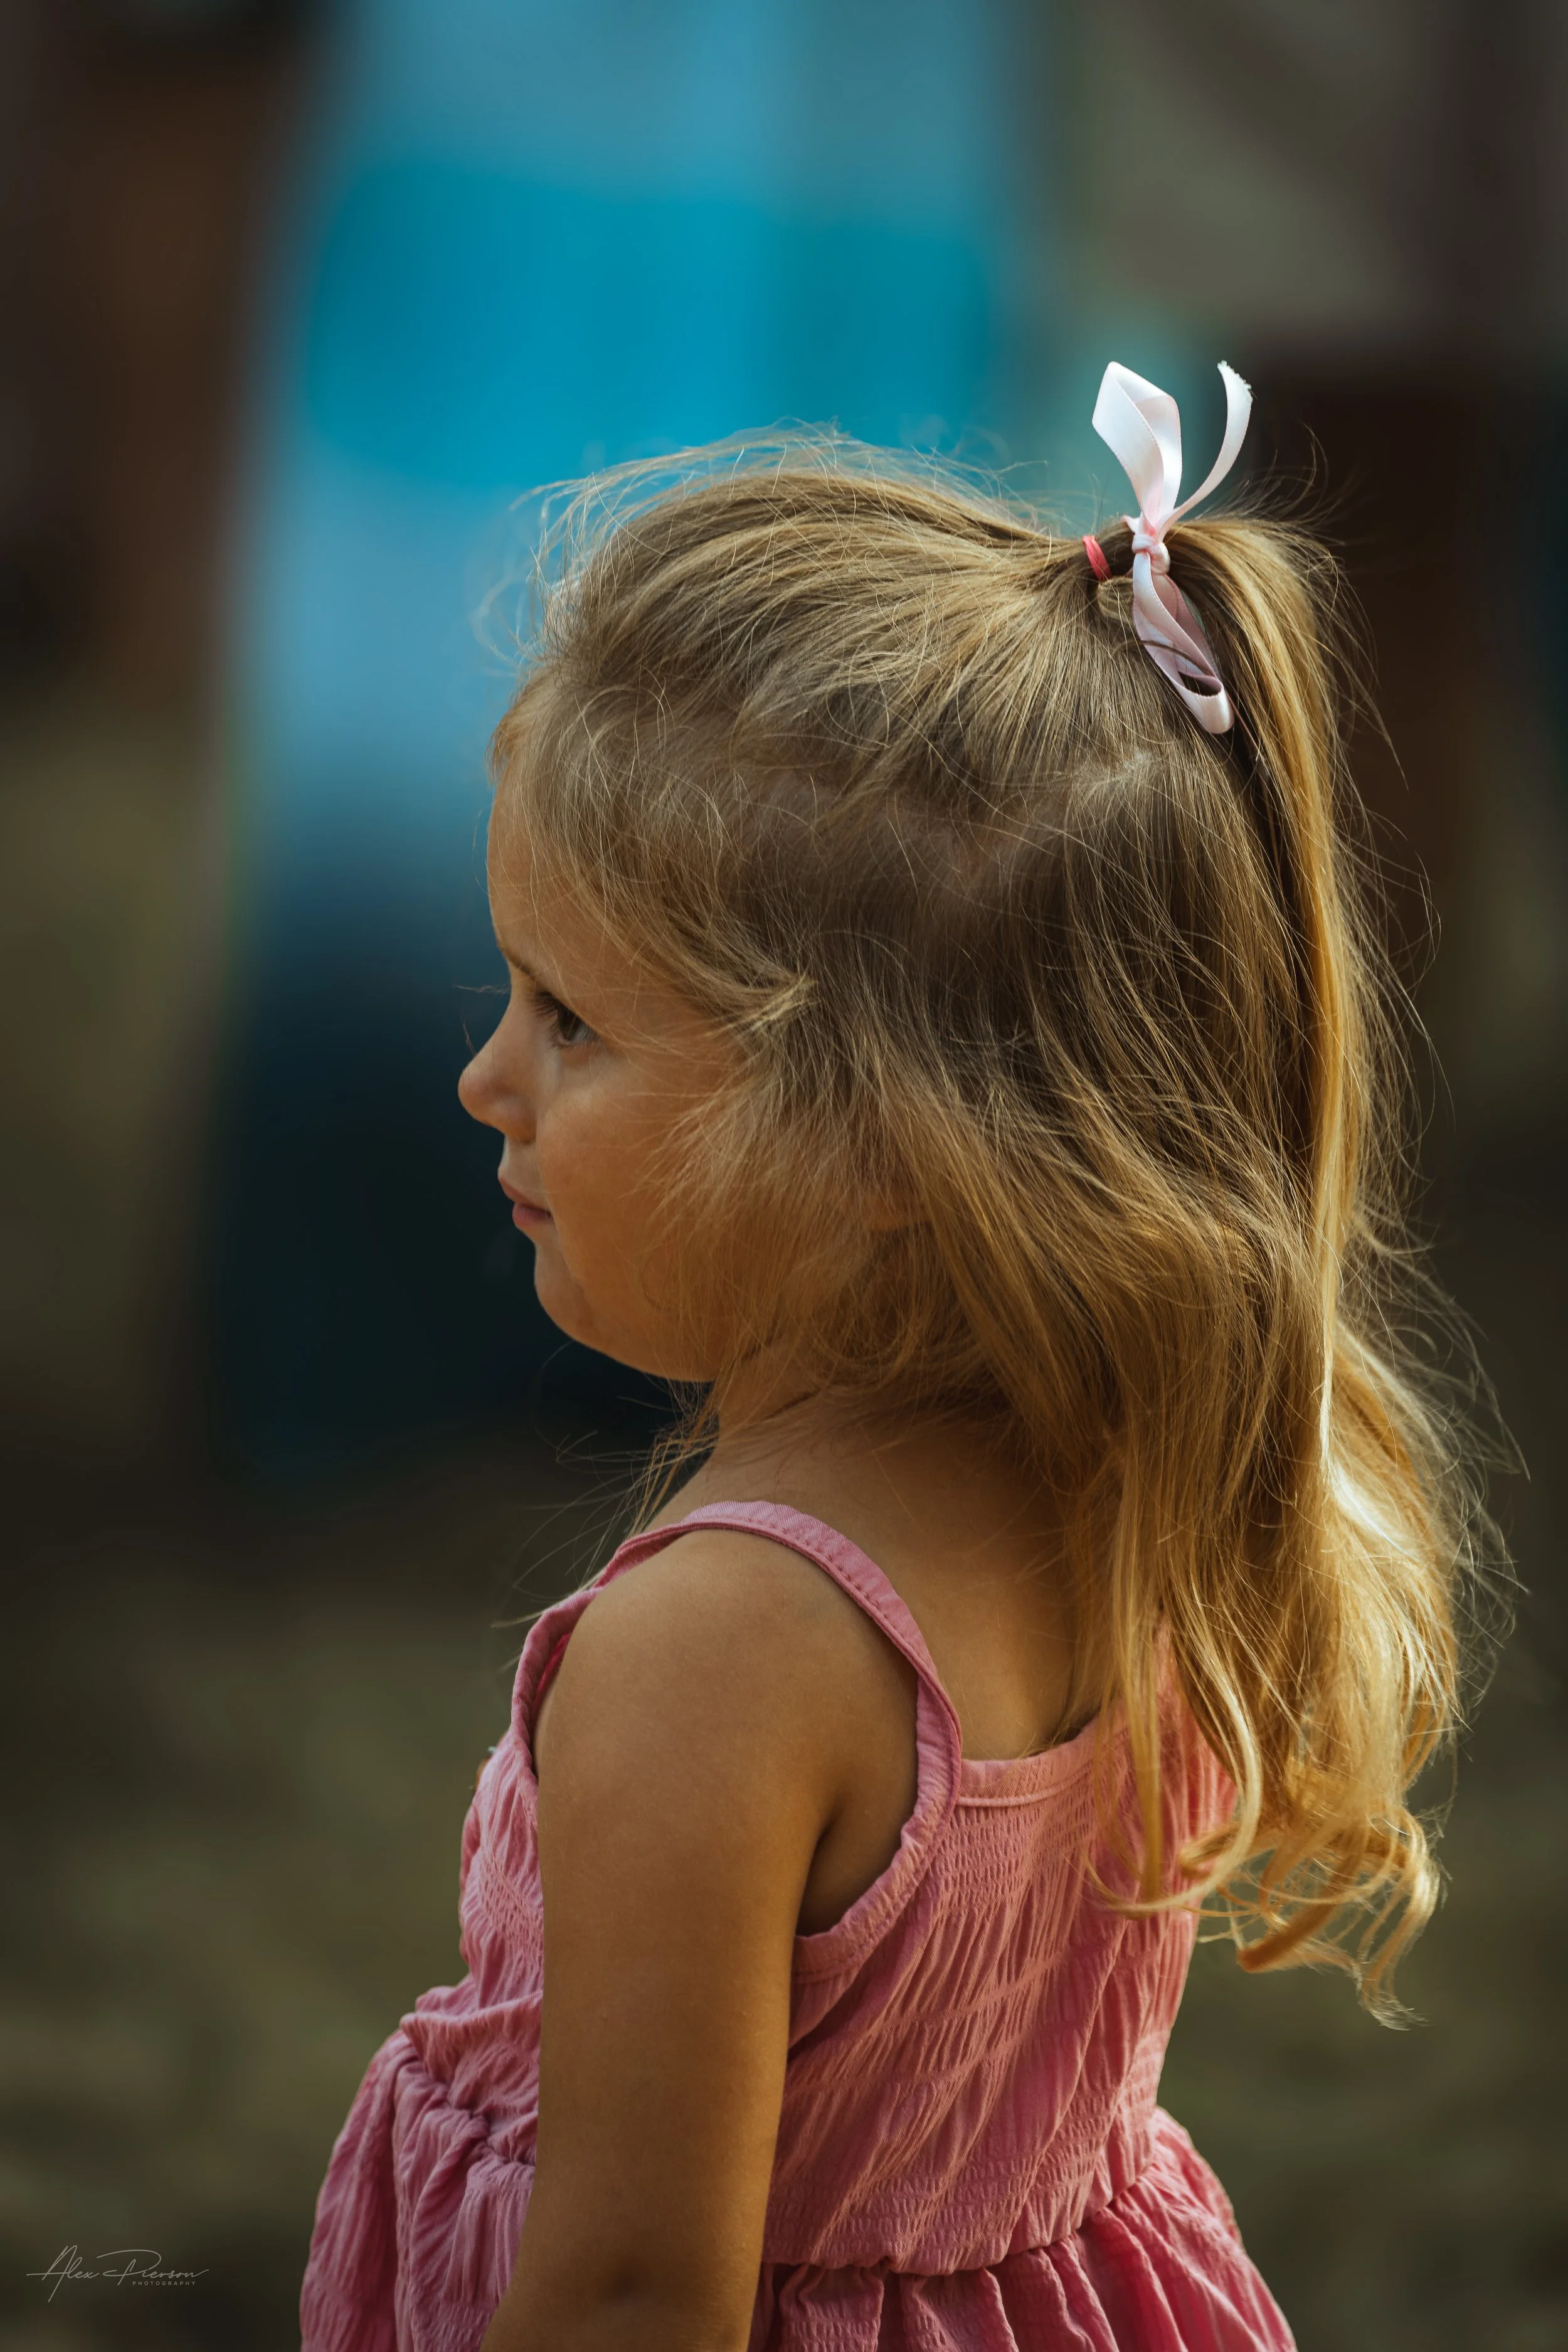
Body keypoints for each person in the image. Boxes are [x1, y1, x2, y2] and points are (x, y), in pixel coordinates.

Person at [300, 365, 1489, 2351]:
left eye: (572, 1021)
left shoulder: (715, 1650)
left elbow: (618, 2292)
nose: (484, 1077)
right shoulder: (1130, 1480)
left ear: (879, 1143)